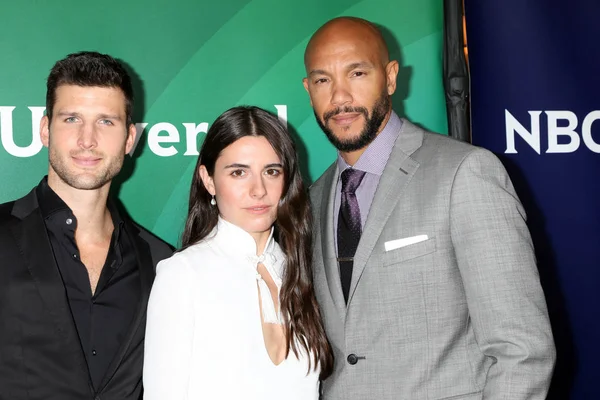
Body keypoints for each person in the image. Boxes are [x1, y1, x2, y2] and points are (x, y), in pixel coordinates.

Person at [302, 17, 556, 399]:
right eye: (323, 80)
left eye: (356, 72)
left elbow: (522, 350)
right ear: (308, 89)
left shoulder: (464, 173)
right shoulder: (312, 200)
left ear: (390, 77)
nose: (339, 97)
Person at [0, 51, 173, 400]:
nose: (87, 139)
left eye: (106, 121)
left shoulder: (162, 262)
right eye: (72, 119)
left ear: (129, 139)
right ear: (46, 129)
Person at [143, 105, 334, 399]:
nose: (258, 190)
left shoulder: (296, 270)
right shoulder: (183, 274)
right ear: (209, 181)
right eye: (238, 172)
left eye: (271, 171)